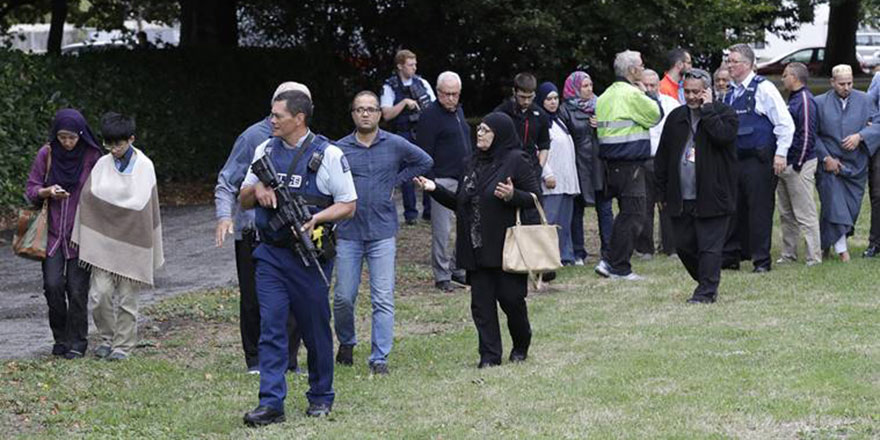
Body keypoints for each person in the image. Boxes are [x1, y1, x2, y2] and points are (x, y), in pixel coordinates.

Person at [240, 90, 357, 424]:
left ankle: (320, 396)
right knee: (271, 326)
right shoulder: (265, 149)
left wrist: (318, 218)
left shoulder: (329, 155)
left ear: (299, 118)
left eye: (278, 115)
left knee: (315, 328)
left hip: (309, 258)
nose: (272, 120)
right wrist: (257, 190)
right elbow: (243, 198)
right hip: (270, 255)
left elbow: (348, 204)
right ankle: (271, 402)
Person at [414, 112, 539, 368]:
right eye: (478, 129)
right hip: (475, 247)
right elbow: (460, 203)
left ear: (500, 134)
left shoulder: (516, 160)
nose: (479, 133)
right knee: (481, 307)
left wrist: (513, 195)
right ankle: (490, 356)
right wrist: (434, 189)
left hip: (505, 245)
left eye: (486, 130)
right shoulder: (471, 162)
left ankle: (521, 343)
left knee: (511, 300)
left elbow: (535, 197)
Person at [333, 91, 433, 374]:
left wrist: (398, 181)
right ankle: (347, 341)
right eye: (360, 109)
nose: (365, 114)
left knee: (383, 297)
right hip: (348, 232)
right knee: (343, 296)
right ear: (352, 114)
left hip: (382, 232)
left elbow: (425, 162)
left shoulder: (395, 144)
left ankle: (379, 358)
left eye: (371, 109)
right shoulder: (338, 149)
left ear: (379, 113)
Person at [215, 82, 308, 375]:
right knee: (254, 298)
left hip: (291, 232)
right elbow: (226, 181)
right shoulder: (253, 138)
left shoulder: (311, 143)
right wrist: (224, 217)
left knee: (295, 298)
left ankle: (289, 361)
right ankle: (255, 359)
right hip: (253, 232)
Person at [71, 112, 164, 360]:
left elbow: (143, 205)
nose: (113, 149)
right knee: (98, 295)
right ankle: (106, 338)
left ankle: (123, 345)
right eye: (108, 144)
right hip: (103, 244)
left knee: (126, 299)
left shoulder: (145, 166)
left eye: (118, 144)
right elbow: (88, 199)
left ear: (131, 139)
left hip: (133, 243)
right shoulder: (102, 164)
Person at [655, 69, 738, 304]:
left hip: (713, 195)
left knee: (709, 247)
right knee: (683, 245)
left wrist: (708, 110)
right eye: (687, 91)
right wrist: (660, 191)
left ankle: (706, 292)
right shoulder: (676, 118)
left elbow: (723, 137)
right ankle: (707, 280)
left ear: (707, 91)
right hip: (681, 196)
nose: (691, 96)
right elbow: (663, 156)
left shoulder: (725, 114)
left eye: (696, 92)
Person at [25, 109, 102, 359]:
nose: (67, 143)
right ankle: (60, 338)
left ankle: (78, 342)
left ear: (81, 135)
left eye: (72, 138)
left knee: (78, 290)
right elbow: (31, 188)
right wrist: (47, 191)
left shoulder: (92, 156)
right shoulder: (47, 153)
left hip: (82, 234)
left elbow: (104, 189)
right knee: (53, 285)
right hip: (52, 234)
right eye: (62, 138)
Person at [721, 43, 795, 272]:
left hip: (758, 161)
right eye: (728, 61)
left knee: (759, 211)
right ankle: (732, 256)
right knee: (734, 209)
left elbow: (785, 124)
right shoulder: (730, 93)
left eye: (733, 62)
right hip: (735, 160)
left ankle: (761, 260)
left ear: (746, 64)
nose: (729, 66)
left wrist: (781, 153)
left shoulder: (764, 89)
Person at [594, 50, 663, 280]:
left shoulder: (604, 96)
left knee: (625, 214)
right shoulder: (632, 95)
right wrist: (648, 94)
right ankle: (619, 266)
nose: (643, 69)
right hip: (631, 163)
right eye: (641, 66)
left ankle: (608, 260)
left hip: (609, 164)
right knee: (634, 214)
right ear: (633, 70)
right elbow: (655, 115)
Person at [814, 65, 880, 261]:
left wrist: (861, 136)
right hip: (830, 164)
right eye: (842, 83)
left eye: (849, 83)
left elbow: (877, 124)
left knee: (849, 209)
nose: (846, 87)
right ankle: (843, 251)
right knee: (834, 203)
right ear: (832, 82)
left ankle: (826, 244)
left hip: (856, 165)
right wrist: (826, 158)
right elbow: (814, 135)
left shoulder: (866, 100)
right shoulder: (820, 103)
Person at [415, 71, 471, 292]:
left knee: (466, 225)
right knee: (442, 229)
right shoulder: (430, 116)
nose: (451, 99)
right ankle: (442, 274)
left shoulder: (459, 112)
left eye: (455, 94)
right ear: (438, 93)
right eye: (447, 94)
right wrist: (431, 181)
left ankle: (458, 267)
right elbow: (424, 150)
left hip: (464, 176)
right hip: (442, 178)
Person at [560, 71, 611, 265]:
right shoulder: (566, 110)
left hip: (599, 163)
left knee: (605, 208)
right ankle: (578, 252)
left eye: (591, 85)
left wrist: (603, 124)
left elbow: (615, 128)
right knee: (577, 210)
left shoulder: (601, 106)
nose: (589, 89)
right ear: (574, 88)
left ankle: (608, 251)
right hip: (578, 166)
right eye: (585, 86)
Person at [381, 49, 436, 225]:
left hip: (422, 131)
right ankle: (410, 215)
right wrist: (404, 103)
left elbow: (434, 107)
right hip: (402, 133)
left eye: (415, 64)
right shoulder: (390, 86)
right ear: (400, 66)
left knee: (428, 169)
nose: (414, 67)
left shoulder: (422, 83)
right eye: (410, 64)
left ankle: (428, 212)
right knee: (406, 174)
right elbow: (387, 115)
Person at [776, 62, 821, 266]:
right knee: (786, 213)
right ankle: (789, 253)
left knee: (805, 213)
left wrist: (798, 163)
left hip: (799, 164)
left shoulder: (804, 100)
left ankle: (814, 256)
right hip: (786, 163)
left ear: (794, 77)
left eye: (785, 75)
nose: (782, 79)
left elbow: (807, 135)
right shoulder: (792, 99)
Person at [636, 68, 681, 259]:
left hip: (666, 160)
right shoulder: (634, 104)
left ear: (658, 85)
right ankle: (645, 248)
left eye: (652, 85)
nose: (649, 88)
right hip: (643, 159)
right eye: (645, 85)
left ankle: (671, 247)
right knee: (644, 204)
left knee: (668, 204)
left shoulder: (671, 104)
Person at [537, 81, 580, 265]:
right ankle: (546, 256)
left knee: (564, 221)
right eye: (548, 99)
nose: (553, 102)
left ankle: (564, 255)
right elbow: (538, 149)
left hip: (566, 179)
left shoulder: (559, 120)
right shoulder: (541, 122)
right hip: (552, 180)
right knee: (550, 220)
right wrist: (546, 173)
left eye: (555, 98)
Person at [494, 72, 551, 177]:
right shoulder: (501, 113)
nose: (526, 101)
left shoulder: (540, 115)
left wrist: (539, 168)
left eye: (530, 97)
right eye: (522, 97)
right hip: (505, 170)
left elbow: (544, 145)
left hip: (531, 170)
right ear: (514, 92)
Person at [863, 69, 880, 257]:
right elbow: (869, 103)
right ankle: (875, 242)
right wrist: (874, 122)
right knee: (877, 194)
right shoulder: (879, 78)